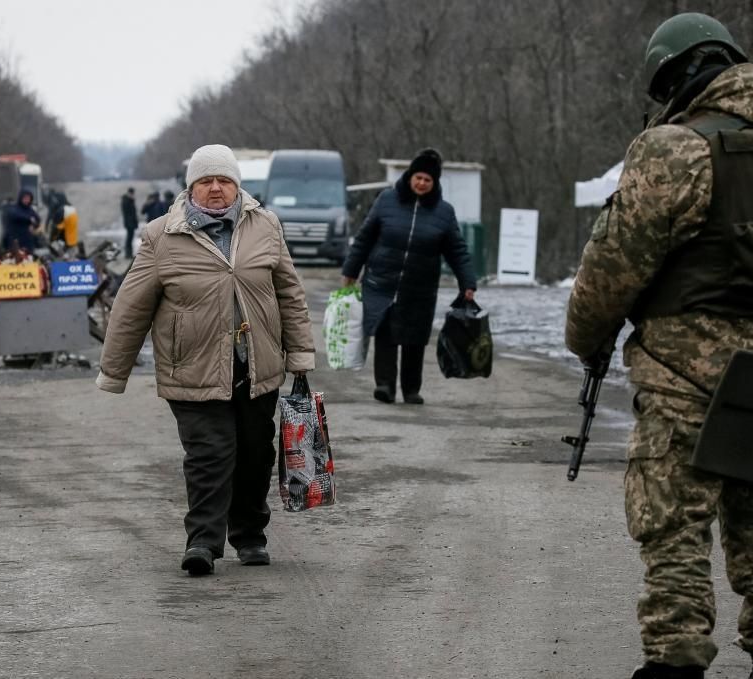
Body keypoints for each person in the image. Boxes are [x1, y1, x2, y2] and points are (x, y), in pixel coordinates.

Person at [564, 13, 753, 679]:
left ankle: (675, 666)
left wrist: (588, 339)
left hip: (680, 379)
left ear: (684, 77)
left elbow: (609, 274)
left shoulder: (674, 151)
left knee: (675, 534)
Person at [96, 144, 315, 576]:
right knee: (210, 454)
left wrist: (301, 352)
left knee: (255, 455)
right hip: (192, 367)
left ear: (237, 186)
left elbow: (289, 293)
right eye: (206, 181)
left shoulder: (265, 225)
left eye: (224, 180)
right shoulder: (163, 235)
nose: (216, 189)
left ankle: (250, 537)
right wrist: (113, 370)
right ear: (191, 187)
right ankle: (203, 541)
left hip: (256, 367)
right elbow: (131, 306)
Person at [340, 148, 477, 405]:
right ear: (410, 176)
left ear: (434, 183)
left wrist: (467, 282)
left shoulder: (444, 212)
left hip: (420, 288)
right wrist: (350, 270)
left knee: (414, 338)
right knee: (385, 334)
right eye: (419, 177)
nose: (422, 183)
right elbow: (365, 237)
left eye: (428, 180)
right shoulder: (387, 200)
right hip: (382, 281)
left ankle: (411, 389)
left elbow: (457, 250)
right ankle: (385, 386)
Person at [1, 189, 41, 254]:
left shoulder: (30, 209)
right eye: (25, 198)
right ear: (21, 198)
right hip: (15, 241)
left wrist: (34, 226)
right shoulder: (14, 208)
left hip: (28, 241)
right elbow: (15, 215)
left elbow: (37, 219)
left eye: (29, 199)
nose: (27, 200)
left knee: (28, 259)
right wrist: (29, 219)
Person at [120, 187, 138, 257]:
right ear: (129, 193)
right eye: (132, 193)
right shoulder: (126, 200)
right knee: (129, 238)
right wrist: (131, 200)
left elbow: (133, 213)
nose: (133, 195)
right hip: (129, 222)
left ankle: (129, 253)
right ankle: (128, 254)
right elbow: (127, 212)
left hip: (131, 222)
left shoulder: (129, 200)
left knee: (130, 237)